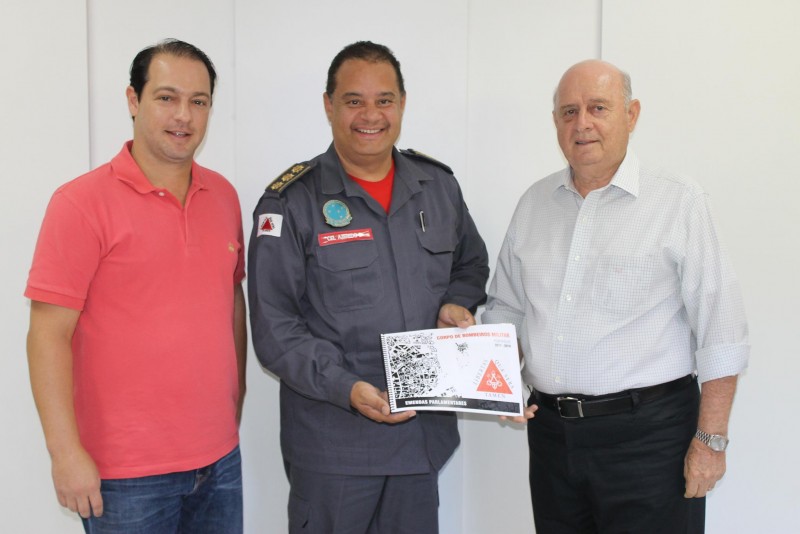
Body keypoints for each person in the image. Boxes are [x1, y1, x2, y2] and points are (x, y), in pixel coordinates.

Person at [482, 59, 749, 533]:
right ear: (555, 122)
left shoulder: (678, 201)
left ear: (632, 114)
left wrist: (711, 442)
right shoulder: (533, 205)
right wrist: (497, 382)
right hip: (552, 439)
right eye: (569, 112)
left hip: (650, 440)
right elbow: (507, 310)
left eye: (598, 108)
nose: (582, 123)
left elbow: (721, 331)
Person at [248, 41, 489, 533]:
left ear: (402, 104)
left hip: (420, 437)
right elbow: (275, 329)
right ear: (328, 105)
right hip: (334, 445)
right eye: (354, 100)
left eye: (384, 100)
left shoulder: (437, 186)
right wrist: (347, 387)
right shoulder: (291, 201)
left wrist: (454, 304)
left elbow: (471, 264)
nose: (371, 115)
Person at [25, 39, 246, 533]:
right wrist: (65, 454)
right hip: (124, 475)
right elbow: (46, 335)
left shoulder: (224, 196)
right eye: (166, 97)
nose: (183, 115)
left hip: (219, 460)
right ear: (133, 100)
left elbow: (231, 298)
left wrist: (236, 399)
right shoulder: (80, 203)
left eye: (199, 101)